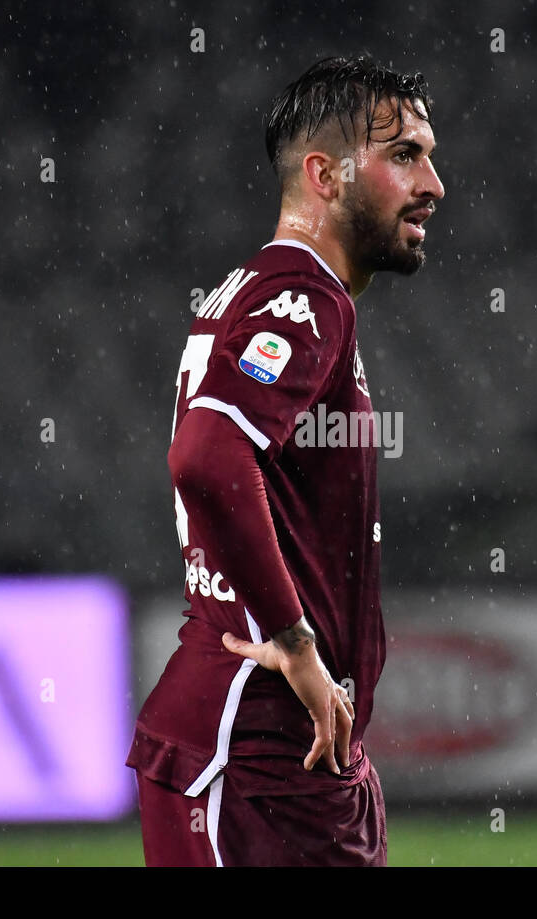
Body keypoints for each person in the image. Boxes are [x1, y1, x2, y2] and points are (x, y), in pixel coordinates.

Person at [126, 53, 444, 866]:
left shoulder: (255, 291)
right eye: (404, 154)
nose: (433, 183)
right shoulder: (302, 297)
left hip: (248, 740)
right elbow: (203, 455)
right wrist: (298, 646)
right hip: (261, 744)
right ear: (325, 174)